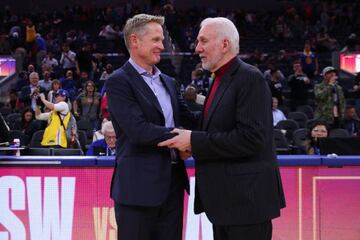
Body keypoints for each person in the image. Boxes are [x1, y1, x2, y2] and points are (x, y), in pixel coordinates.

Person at [159, 17, 285, 240]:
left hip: (247, 204)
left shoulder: (250, 78)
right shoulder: (220, 78)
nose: (197, 48)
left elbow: (251, 138)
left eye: (203, 41)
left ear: (225, 44)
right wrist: (173, 103)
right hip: (227, 203)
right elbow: (210, 123)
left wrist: (193, 141)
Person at [105, 14, 197, 240]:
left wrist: (222, 111)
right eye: (156, 39)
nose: (162, 45)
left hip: (173, 187)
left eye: (162, 40)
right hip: (137, 190)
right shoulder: (119, 81)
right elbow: (138, 130)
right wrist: (184, 138)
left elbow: (190, 119)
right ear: (135, 41)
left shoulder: (169, 81)